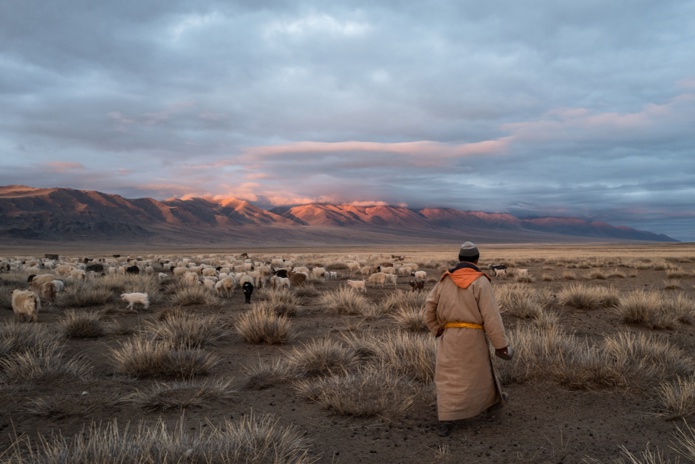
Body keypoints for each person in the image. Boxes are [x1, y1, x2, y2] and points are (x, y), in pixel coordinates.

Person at [425, 241, 512, 437]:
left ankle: (446, 419)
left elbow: (429, 305)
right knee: (478, 375)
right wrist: (501, 345)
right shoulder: (480, 282)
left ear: (459, 259)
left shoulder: (445, 280)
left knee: (448, 377)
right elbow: (491, 316)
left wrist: (435, 328)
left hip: (448, 336)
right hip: (473, 337)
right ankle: (488, 406)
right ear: (477, 260)